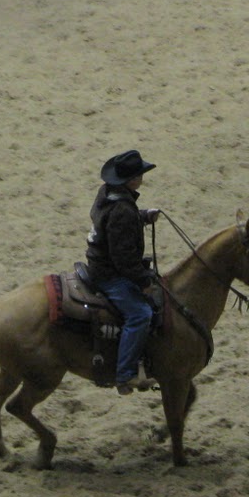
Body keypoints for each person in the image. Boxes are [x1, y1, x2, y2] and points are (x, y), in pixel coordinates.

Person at [84, 150, 163, 394]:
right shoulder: (122, 211)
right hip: (109, 274)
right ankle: (125, 373)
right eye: (140, 174)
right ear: (132, 180)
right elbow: (124, 260)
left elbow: (113, 222)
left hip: (98, 263)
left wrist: (141, 216)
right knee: (140, 313)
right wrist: (142, 281)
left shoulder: (107, 194)